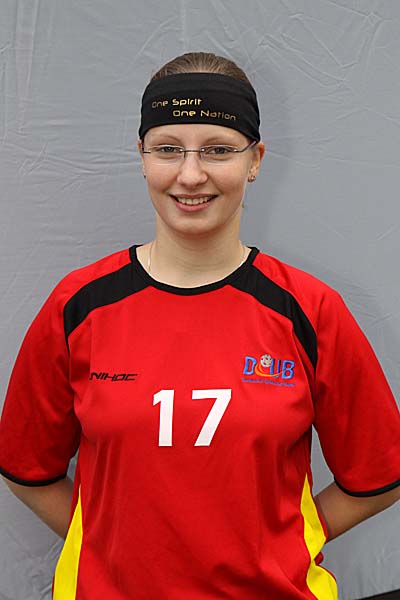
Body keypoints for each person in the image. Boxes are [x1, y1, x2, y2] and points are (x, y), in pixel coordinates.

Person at [0, 51, 399, 600]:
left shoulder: (309, 310)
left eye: (218, 149)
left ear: (255, 159)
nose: (190, 174)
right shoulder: (79, 305)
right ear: (141, 156)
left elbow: (379, 476)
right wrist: (113, 543)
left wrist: (285, 541)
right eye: (168, 149)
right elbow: (27, 468)